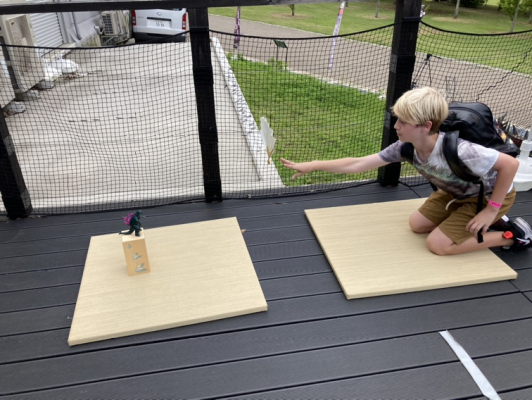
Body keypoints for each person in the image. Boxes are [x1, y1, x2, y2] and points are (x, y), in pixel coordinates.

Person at [281, 86, 532, 255]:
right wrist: (314, 165)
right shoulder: (405, 148)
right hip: (455, 192)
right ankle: (483, 219)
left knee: (437, 245)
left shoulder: (462, 150)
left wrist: (491, 210)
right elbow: (358, 164)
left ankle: (514, 235)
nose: (396, 126)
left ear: (426, 126)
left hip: (488, 196)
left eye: (403, 121)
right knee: (417, 225)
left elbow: (510, 165)